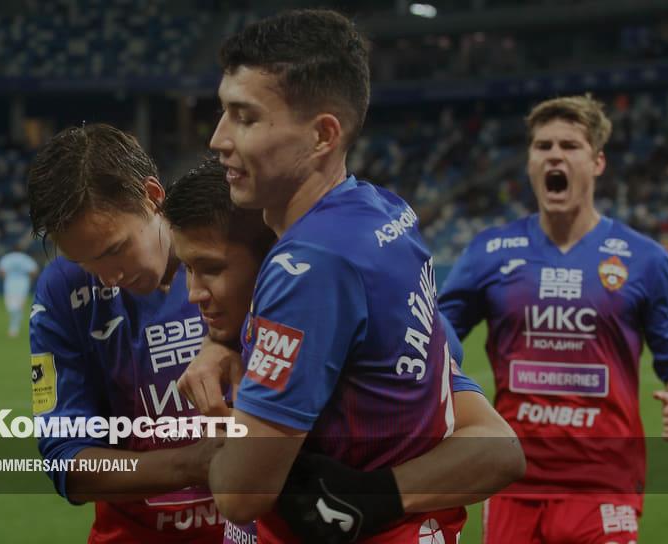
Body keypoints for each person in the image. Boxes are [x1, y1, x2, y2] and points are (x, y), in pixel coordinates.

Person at [197, 10, 516, 542]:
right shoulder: (385, 214)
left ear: (323, 134)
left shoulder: (310, 264)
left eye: (244, 118)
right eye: (222, 112)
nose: (217, 138)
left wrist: (216, 423)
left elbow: (240, 494)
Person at [164, 157, 524, 543]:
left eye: (211, 269)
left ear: (275, 260)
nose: (193, 293)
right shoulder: (241, 335)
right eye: (187, 268)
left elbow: (500, 450)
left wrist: (370, 497)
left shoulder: (369, 334)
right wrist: (215, 344)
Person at [438, 94, 668, 543]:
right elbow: (434, 336)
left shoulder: (644, 258)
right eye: (543, 146)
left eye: (570, 145)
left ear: (597, 162)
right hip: (512, 477)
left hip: (604, 480)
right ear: (529, 163)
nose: (554, 155)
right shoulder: (490, 252)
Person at [26, 123, 225, 543]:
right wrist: (193, 464)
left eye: (115, 249)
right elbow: (67, 462)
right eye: (86, 262)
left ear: (152, 196)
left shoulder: (237, 248)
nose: (109, 277)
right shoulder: (63, 290)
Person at [0, 247, 39, 337]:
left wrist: (6, 278)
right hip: (23, 284)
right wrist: (30, 280)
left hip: (10, 284)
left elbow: (1, 271)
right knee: (18, 306)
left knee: (11, 307)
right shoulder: (25, 258)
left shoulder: (7, 258)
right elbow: (34, 271)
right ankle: (16, 322)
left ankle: (14, 327)